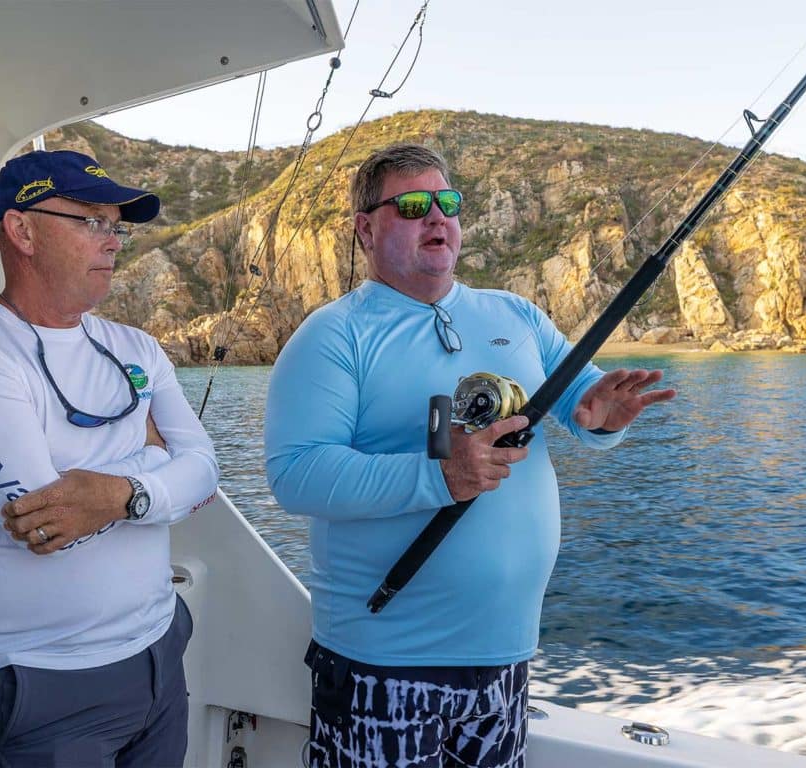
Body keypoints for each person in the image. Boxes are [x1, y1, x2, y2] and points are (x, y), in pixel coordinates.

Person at [264, 143, 676, 768]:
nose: (436, 216)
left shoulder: (517, 315)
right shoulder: (333, 335)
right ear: (365, 229)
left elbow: (584, 405)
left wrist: (603, 422)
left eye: (447, 202)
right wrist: (440, 474)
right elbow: (296, 475)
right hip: (386, 665)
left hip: (506, 661)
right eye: (411, 204)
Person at [0, 149, 218, 767]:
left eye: (117, 226)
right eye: (91, 221)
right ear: (21, 230)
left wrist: (115, 493)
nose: (113, 242)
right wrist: (155, 457)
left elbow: (206, 470)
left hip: (160, 649)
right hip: (46, 680)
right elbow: (48, 522)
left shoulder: (137, 347)